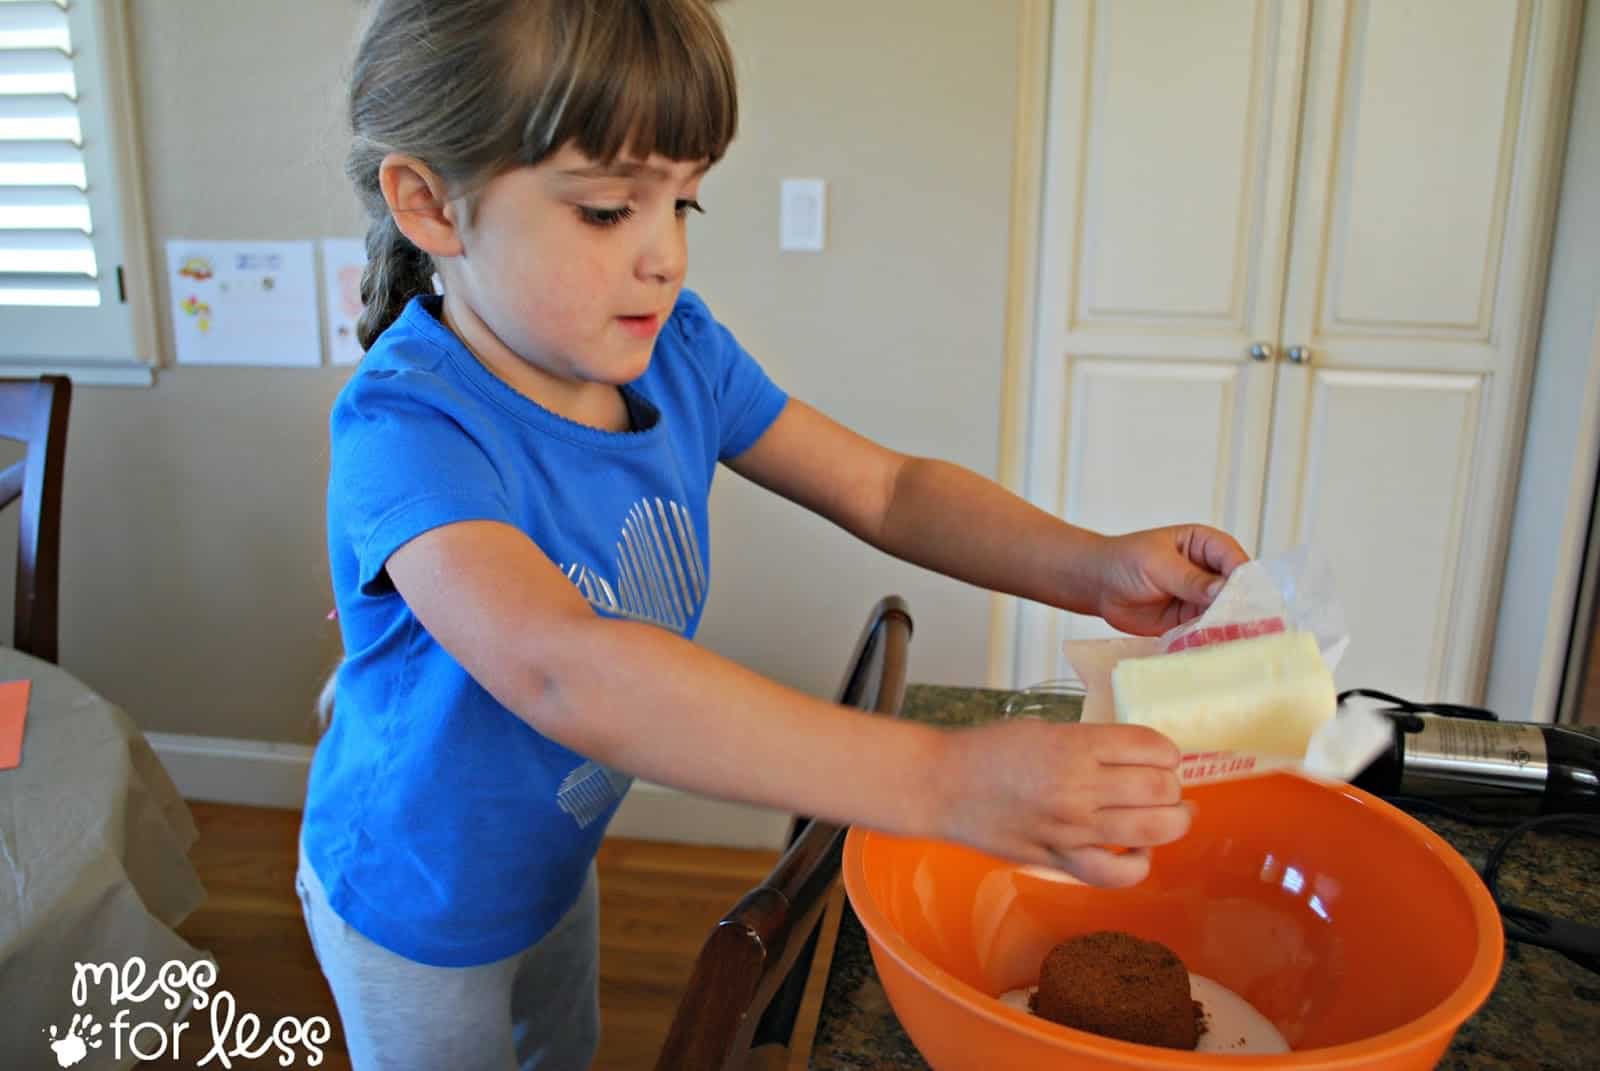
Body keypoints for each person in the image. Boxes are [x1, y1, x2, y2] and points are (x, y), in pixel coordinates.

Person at [297, 1, 1249, 1069]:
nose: (666, 257)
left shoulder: (676, 355)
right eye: (610, 210)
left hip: (549, 857)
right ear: (430, 204)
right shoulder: (409, 429)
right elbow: (566, 672)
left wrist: (1093, 563)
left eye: (685, 201)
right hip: (413, 901)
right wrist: (948, 781)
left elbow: (886, 490)